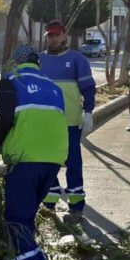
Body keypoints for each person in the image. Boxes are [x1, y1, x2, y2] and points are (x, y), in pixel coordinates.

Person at [0, 44, 69, 260]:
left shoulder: (12, 80)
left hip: (25, 160)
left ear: (15, 63)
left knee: (17, 220)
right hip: (53, 161)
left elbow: (4, 118)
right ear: (38, 64)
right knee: (25, 216)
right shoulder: (54, 87)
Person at [38, 20, 96, 223]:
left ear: (64, 36)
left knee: (73, 164)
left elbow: (88, 89)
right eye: (49, 36)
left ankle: (76, 208)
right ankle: (49, 203)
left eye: (56, 35)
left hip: (69, 123)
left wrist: (88, 112)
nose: (53, 39)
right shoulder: (39, 61)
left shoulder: (77, 60)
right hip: (44, 124)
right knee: (46, 163)